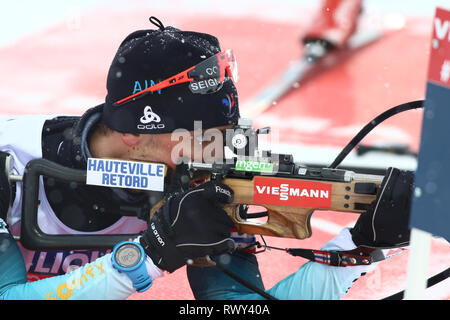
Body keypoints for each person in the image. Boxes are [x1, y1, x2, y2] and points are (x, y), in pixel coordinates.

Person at [0, 16, 413, 300]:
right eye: (196, 139)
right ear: (131, 132)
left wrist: (359, 245)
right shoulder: (10, 163)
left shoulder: (212, 175)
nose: (218, 154)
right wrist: (149, 256)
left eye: (225, 136)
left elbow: (239, 305)